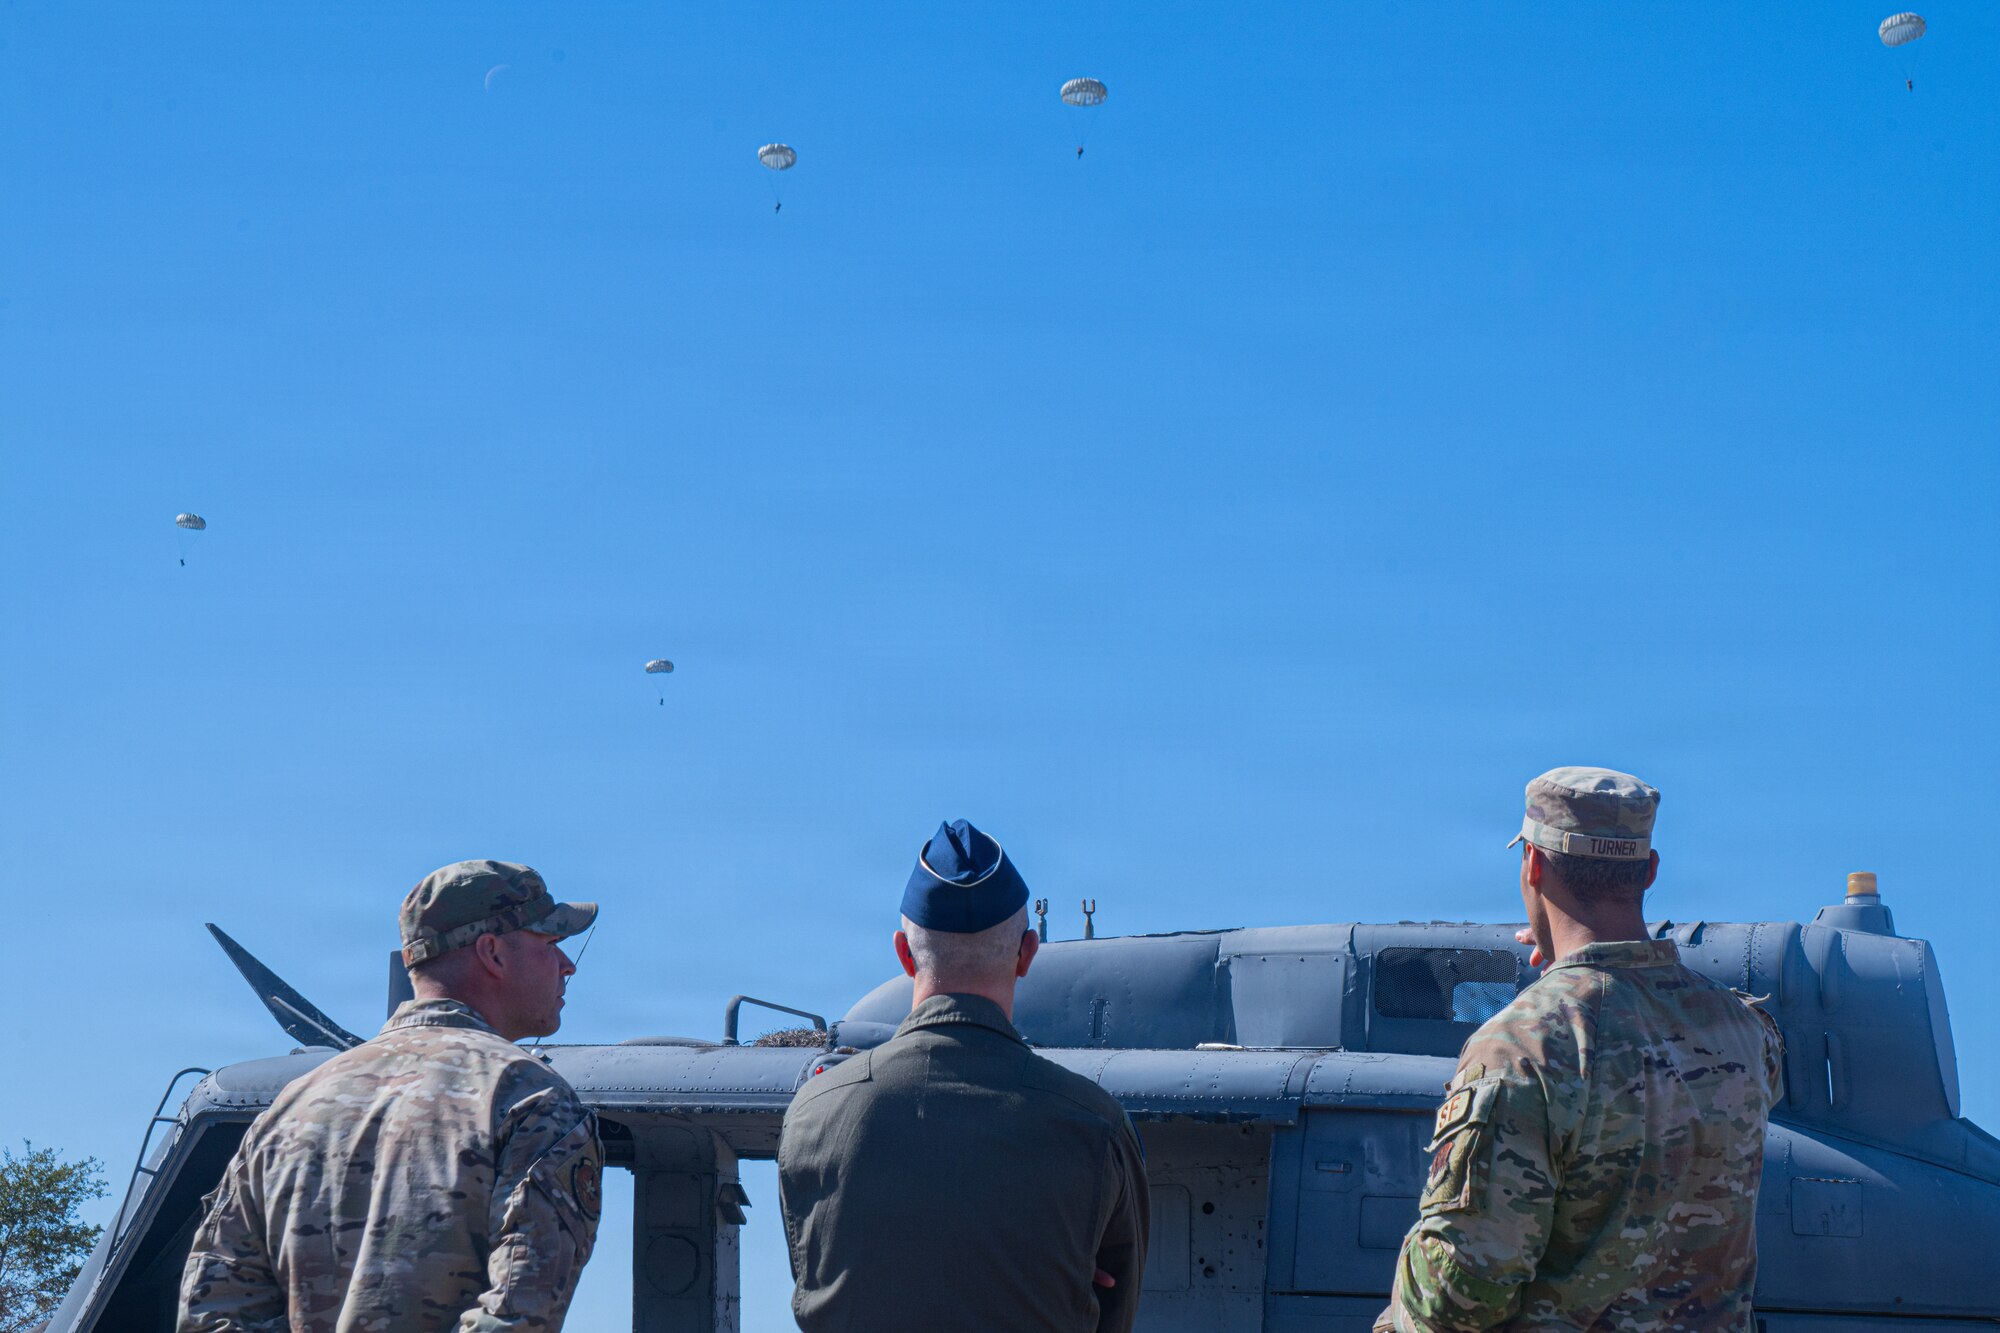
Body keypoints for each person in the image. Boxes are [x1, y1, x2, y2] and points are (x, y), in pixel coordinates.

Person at [1376, 768, 1783, 1333]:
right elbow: (1749, 1047)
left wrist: (1561, 994)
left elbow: (1462, 1295)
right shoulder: (1743, 1033)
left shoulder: (1520, 1047)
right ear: (1650, 871)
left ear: (1534, 867)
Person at [177, 860, 605, 1333]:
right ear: (492, 953)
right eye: (550, 943)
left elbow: (212, 1313)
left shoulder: (289, 1109)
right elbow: (519, 1318)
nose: (567, 965)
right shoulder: (531, 1098)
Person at [778, 819, 1150, 1333]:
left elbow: (815, 1279)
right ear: (1027, 954)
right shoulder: (1095, 1126)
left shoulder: (812, 1114)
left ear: (904, 954)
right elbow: (1116, 1312)